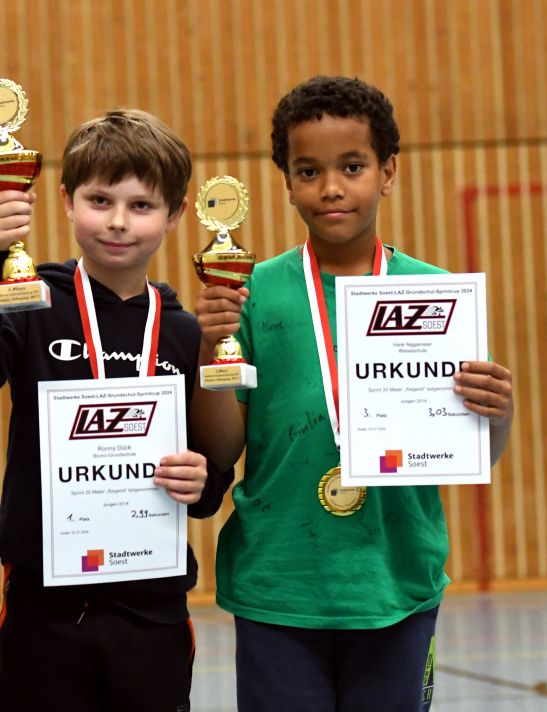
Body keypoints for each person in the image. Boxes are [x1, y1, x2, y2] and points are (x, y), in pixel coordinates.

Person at [192, 76, 515, 712]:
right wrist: (212, 350)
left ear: (387, 171)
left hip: (394, 579)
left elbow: (474, 450)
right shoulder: (250, 292)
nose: (331, 187)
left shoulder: (435, 293)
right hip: (279, 581)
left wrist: (495, 413)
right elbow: (221, 446)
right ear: (286, 180)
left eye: (352, 166)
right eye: (308, 170)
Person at [0, 108, 233, 712]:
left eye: (142, 206)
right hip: (42, 603)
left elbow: (206, 483)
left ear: (176, 214)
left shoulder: (183, 332)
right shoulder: (32, 301)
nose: (119, 223)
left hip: (150, 606)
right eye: (100, 200)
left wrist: (200, 476)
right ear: (67, 200)